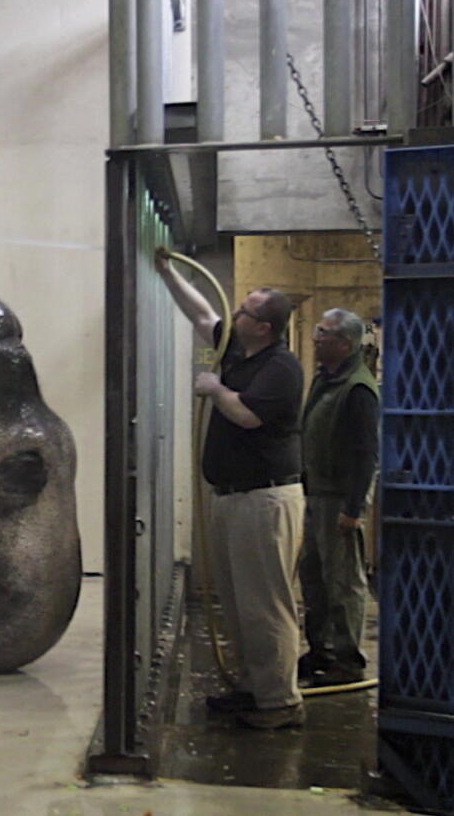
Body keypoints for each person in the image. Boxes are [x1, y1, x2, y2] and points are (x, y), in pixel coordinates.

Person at [155, 252, 306, 729]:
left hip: (263, 500)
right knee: (240, 603)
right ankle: (252, 688)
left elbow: (247, 415)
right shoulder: (239, 351)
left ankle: (279, 702)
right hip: (234, 497)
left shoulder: (281, 368)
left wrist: (215, 390)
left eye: (244, 311)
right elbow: (202, 313)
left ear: (263, 327)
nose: (234, 314)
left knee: (266, 604)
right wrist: (167, 271)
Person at [298, 308, 380, 687]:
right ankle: (321, 651)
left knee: (344, 581)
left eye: (323, 332)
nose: (315, 337)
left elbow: (366, 452)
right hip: (317, 494)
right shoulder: (326, 379)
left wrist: (353, 508)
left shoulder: (357, 389)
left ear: (344, 344)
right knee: (314, 576)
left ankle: (347, 661)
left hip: (339, 499)